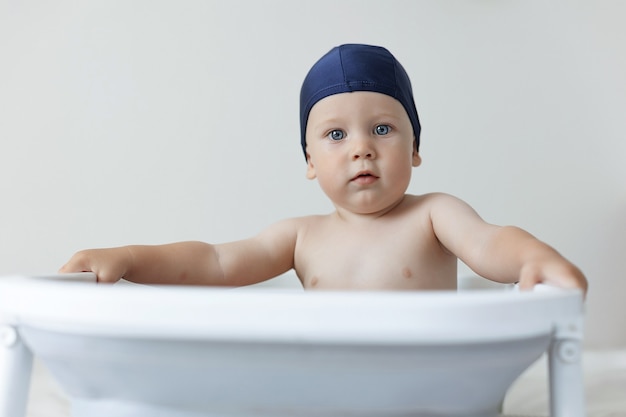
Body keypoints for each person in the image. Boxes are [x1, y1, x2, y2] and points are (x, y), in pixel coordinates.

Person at [60, 44, 588, 295]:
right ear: (310, 162)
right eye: (336, 135)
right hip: (330, 389)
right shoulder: (300, 237)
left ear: (415, 148)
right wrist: (128, 257)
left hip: (427, 386)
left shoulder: (433, 215)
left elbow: (489, 243)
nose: (361, 149)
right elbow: (215, 262)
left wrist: (534, 258)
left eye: (382, 129)